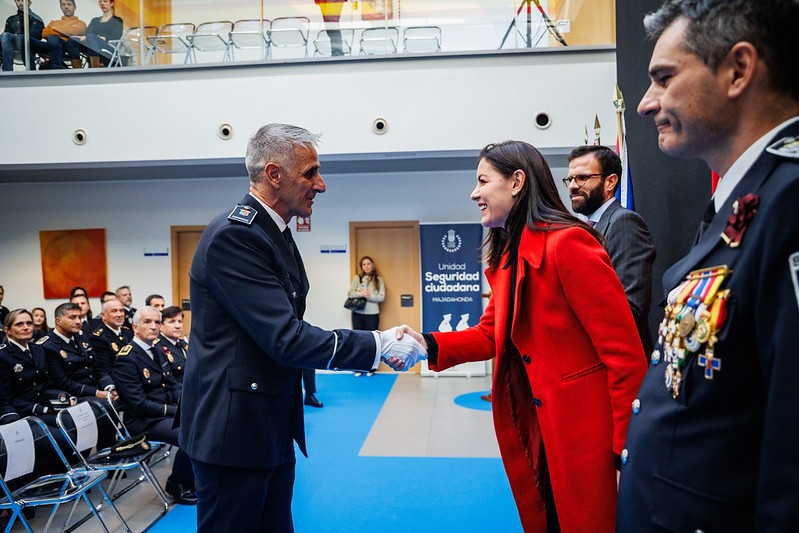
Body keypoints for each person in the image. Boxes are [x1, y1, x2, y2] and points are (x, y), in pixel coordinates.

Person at [178, 123, 425, 532]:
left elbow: (287, 325)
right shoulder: (235, 237)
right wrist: (376, 345)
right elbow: (285, 338)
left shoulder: (273, 233)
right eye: (309, 173)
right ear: (274, 174)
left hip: (265, 423)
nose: (321, 185)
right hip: (233, 433)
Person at [399, 140, 647, 532]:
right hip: (542, 432)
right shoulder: (512, 255)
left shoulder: (569, 244)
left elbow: (625, 357)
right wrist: (427, 343)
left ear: (517, 182)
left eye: (482, 181)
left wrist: (624, 453)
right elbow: (489, 336)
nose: (474, 193)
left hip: (587, 438)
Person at [617, 1, 799, 530]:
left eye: (664, 78)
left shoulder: (789, 203)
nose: (647, 103)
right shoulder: (741, 202)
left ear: (738, 71)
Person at [566, 145, 657, 355]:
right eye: (569, 179)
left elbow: (631, 308)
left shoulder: (624, 222)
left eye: (582, 178)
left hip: (621, 360)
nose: (572, 186)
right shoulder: (585, 228)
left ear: (610, 182)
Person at [112, 306, 196, 505]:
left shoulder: (158, 350)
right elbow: (138, 404)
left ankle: (194, 478)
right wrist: (177, 410)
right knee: (191, 433)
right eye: (147, 322)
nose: (153, 326)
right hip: (144, 421)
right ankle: (177, 483)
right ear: (134, 327)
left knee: (204, 422)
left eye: (157, 322)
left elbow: (172, 384)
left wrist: (189, 403)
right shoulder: (126, 358)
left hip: (164, 414)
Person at [39, 302, 116, 401]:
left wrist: (110, 387)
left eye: (79, 317)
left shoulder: (81, 337)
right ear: (58, 321)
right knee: (107, 405)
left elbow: (98, 368)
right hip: (74, 396)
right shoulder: (48, 346)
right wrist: (97, 393)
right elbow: (63, 382)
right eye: (72, 317)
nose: (78, 321)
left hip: (96, 389)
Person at [349, 255, 385, 377]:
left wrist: (370, 296)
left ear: (372, 265)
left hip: (372, 314)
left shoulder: (378, 279)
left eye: (368, 264)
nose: (366, 266)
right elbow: (350, 293)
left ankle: (371, 367)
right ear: (362, 267)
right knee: (358, 339)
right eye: (364, 264)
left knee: (372, 341)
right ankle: (358, 367)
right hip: (358, 313)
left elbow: (382, 297)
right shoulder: (358, 278)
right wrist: (361, 293)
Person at [64, 0, 121, 68]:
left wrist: (104, 38)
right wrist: (85, 37)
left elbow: (117, 35)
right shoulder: (95, 20)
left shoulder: (117, 20)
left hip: (108, 44)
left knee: (91, 37)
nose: (102, 3)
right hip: (92, 42)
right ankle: (77, 69)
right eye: (100, 2)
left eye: (105, 1)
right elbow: (88, 32)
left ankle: (95, 67)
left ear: (111, 4)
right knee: (72, 40)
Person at [89, 298, 132, 384]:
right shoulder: (98, 338)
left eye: (121, 311)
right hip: (119, 381)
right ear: (103, 315)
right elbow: (105, 370)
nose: (119, 314)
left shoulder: (127, 332)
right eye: (114, 311)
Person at [1, 0, 44, 71]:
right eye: (18, 0)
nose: (21, 3)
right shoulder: (11, 19)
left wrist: (18, 37)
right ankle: (7, 71)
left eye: (23, 1)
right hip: (13, 48)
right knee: (5, 35)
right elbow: (6, 38)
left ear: (29, 3)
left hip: (29, 47)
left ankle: (31, 70)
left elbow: (34, 37)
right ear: (15, 2)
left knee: (23, 38)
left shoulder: (36, 19)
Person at [41, 0, 86, 69]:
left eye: (69, 4)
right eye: (63, 4)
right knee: (53, 38)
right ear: (61, 7)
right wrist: (66, 31)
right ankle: (56, 67)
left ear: (74, 7)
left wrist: (54, 29)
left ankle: (57, 67)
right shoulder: (54, 22)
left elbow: (76, 31)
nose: (66, 7)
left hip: (71, 46)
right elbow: (45, 33)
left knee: (53, 36)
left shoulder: (80, 23)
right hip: (54, 46)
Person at [156, 305, 187, 383]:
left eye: (180, 321)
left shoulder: (183, 344)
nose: (177, 326)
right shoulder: (158, 346)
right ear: (161, 326)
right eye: (172, 322)